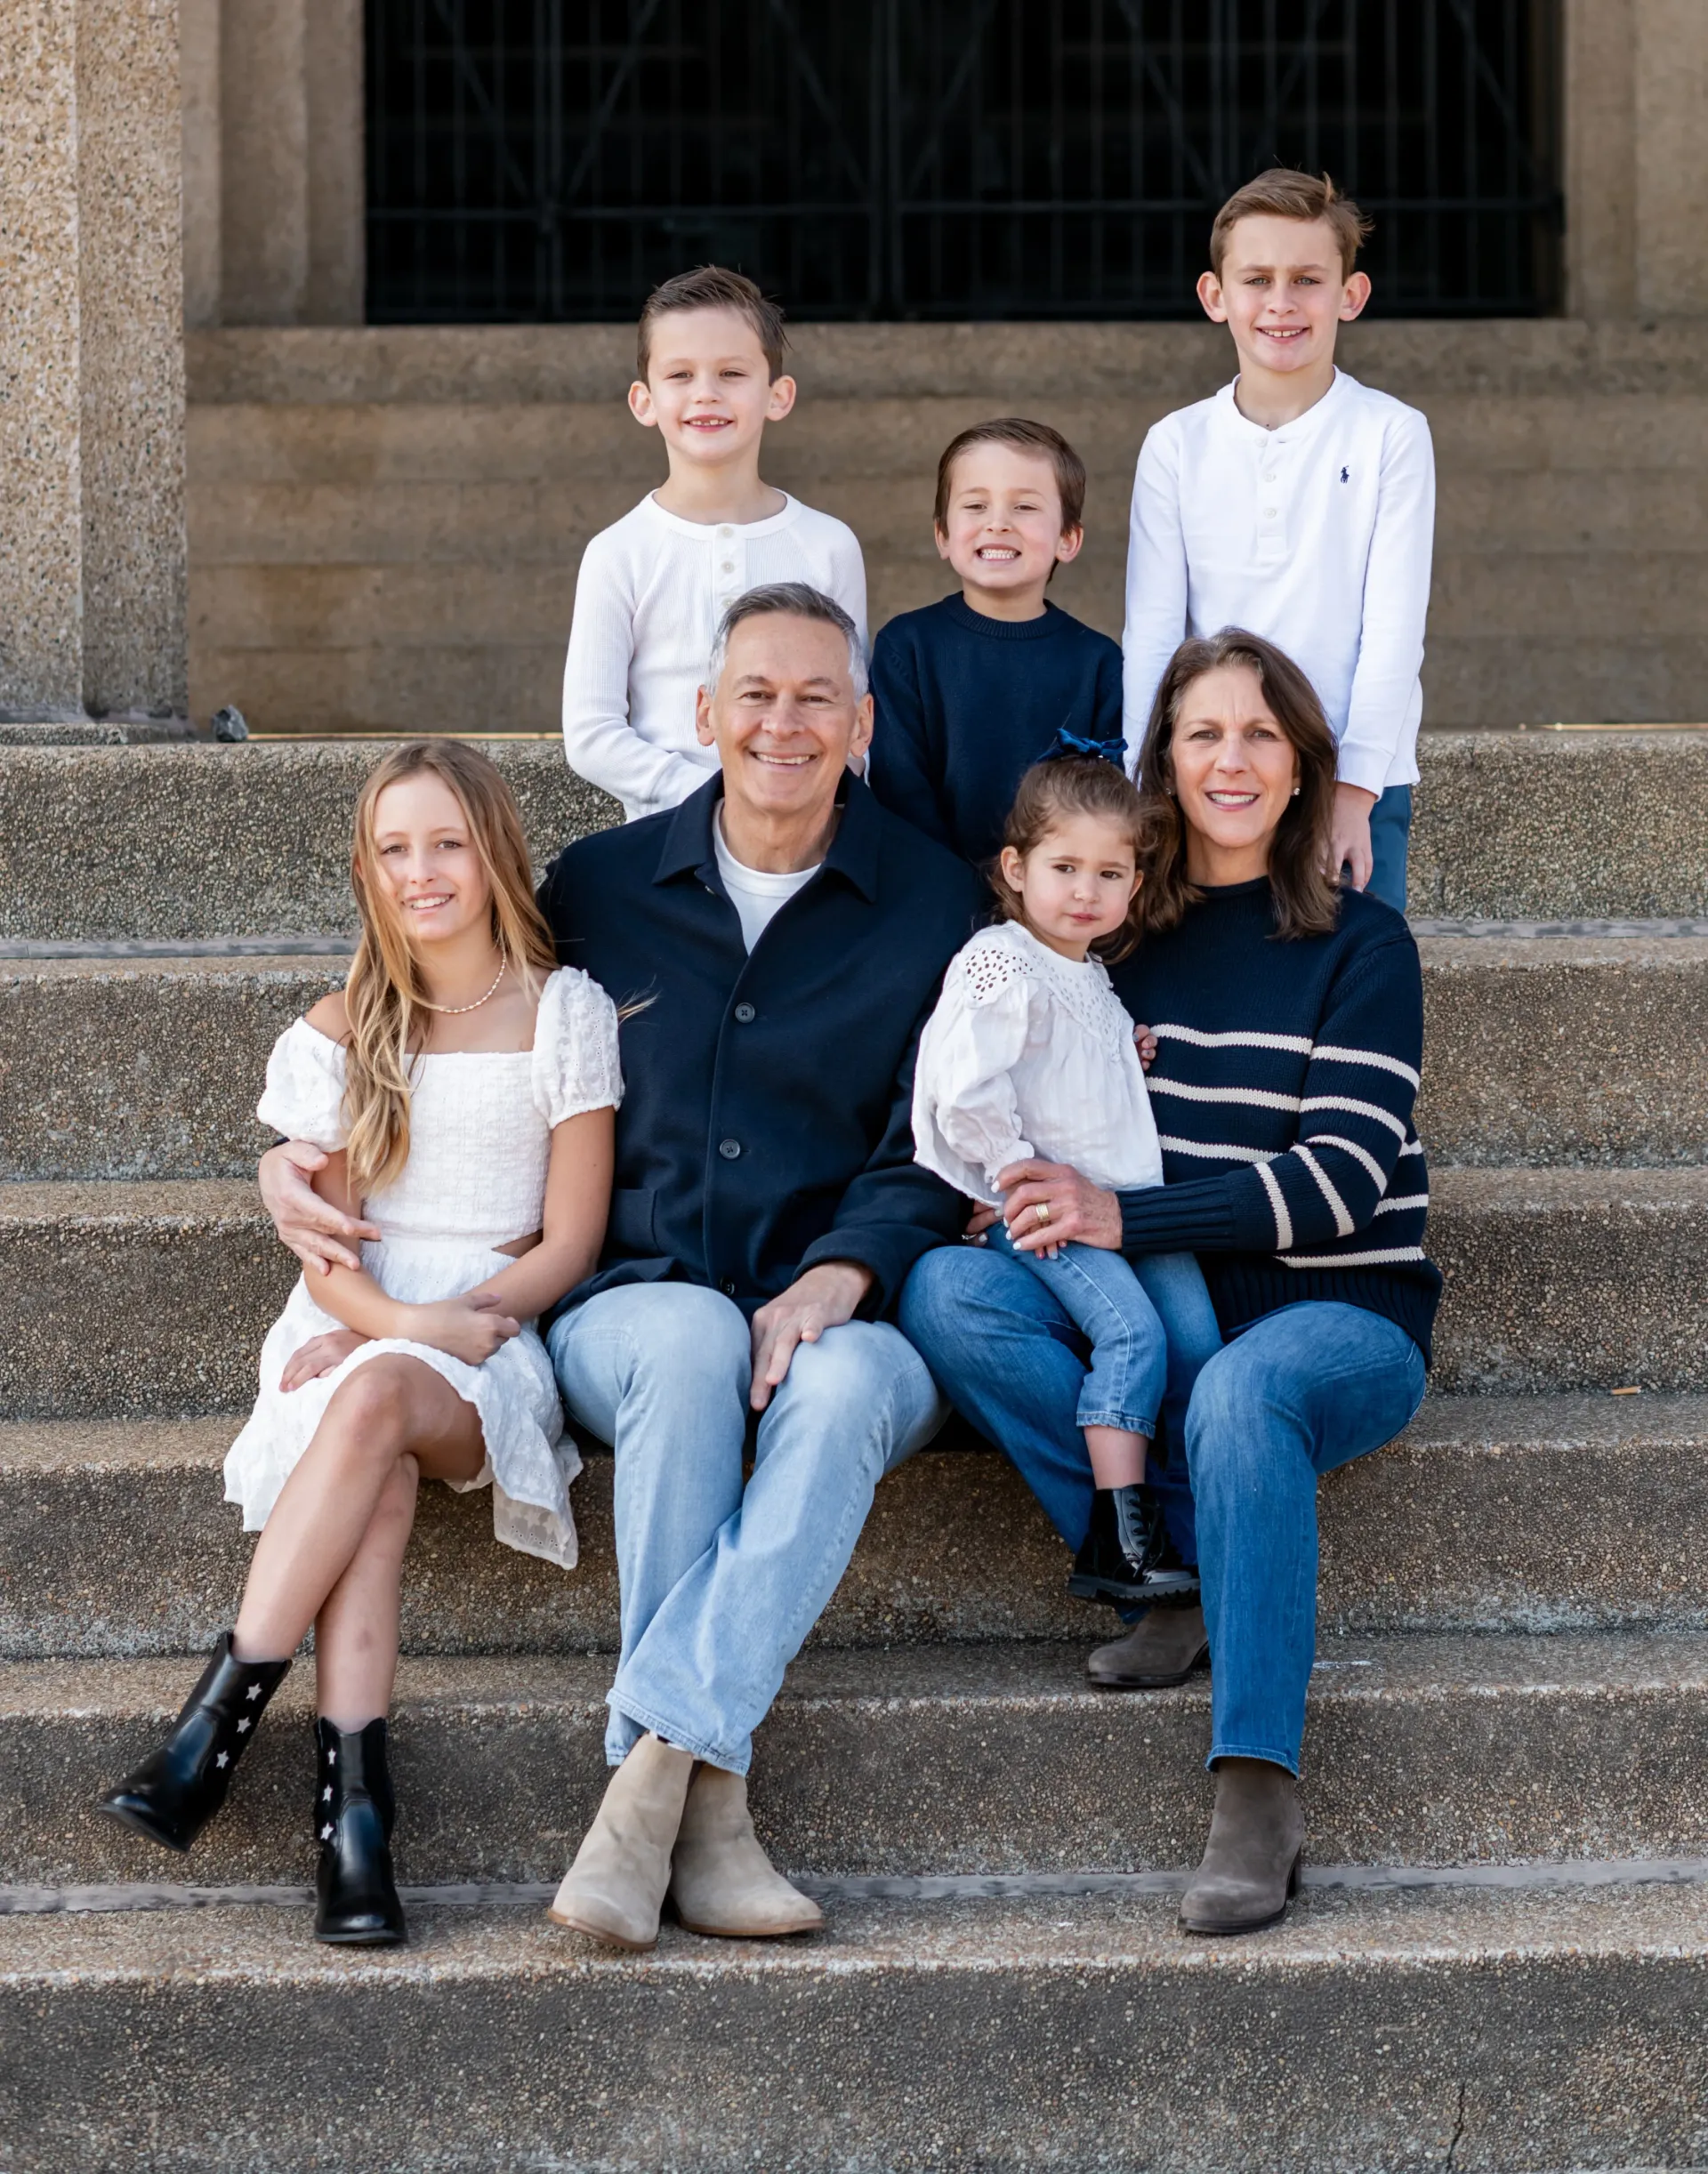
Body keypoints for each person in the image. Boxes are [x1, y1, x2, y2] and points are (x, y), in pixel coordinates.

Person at [260, 584, 985, 1955]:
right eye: (755, 695)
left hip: (853, 1302)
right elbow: (435, 1007)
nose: (784, 722)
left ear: (863, 722)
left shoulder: (935, 901)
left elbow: (948, 1136)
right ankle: (706, 1820)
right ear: (705, 715)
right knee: (689, 1342)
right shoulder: (598, 888)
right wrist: (288, 1162)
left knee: (833, 1397)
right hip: (629, 1302)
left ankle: (653, 1786)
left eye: (816, 695)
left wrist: (845, 1270)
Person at [901, 628, 1438, 1936]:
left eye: (1261, 733)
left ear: (1305, 765)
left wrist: (1119, 1209)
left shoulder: (1363, 948)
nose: (1232, 758)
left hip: (1336, 1310)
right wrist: (1015, 1184)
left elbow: (1345, 1181)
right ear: (1164, 764)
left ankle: (1257, 1787)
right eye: (1203, 733)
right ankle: (1179, 1571)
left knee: (1246, 1391)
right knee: (946, 1297)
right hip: (1149, 1297)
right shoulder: (1094, 932)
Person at [98, 741, 622, 1947]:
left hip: (489, 1335)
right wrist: (392, 1328)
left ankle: (208, 1737)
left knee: (381, 1396)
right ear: (365, 870)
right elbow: (325, 1248)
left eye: (445, 843)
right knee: (372, 1461)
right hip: (355, 1321)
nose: (421, 872)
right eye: (394, 849)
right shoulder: (343, 1025)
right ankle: (354, 1831)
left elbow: (571, 1243)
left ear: (493, 852)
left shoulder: (565, 1014)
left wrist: (444, 1329)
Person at [912, 741, 1220, 1603]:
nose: (1087, 891)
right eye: (1065, 866)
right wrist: (1014, 1171)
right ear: (1015, 868)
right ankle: (1121, 1533)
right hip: (1049, 1207)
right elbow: (963, 1084)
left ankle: (1198, 1531)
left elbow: (1066, 1064)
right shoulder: (1001, 960)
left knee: (1195, 1343)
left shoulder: (1090, 974)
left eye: (1111, 873)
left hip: (1125, 1201)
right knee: (1136, 1337)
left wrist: (1128, 1051)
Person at [1121, 169, 1435, 916]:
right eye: (1257, 279)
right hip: (1213, 770)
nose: (1282, 303)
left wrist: (1356, 791)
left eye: (1308, 279)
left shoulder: (1391, 433)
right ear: (1215, 296)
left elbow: (1393, 630)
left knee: (1351, 974)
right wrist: (1143, 783)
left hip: (1347, 772)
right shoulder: (1175, 445)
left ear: (1350, 296)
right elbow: (1154, 632)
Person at [561, 265, 867, 823]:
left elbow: (849, 714)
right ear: (644, 401)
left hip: (804, 840)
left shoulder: (828, 545)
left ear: (778, 395)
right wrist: (710, 796)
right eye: (680, 374)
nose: (706, 393)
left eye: (731, 372)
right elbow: (591, 733)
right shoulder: (617, 552)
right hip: (664, 842)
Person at [867, 417, 1124, 868]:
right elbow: (900, 795)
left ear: (1068, 538)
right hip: (932, 899)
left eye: (1024, 507)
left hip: (1060, 905)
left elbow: (1102, 806)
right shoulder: (906, 648)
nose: (998, 524)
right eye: (975, 506)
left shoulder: (1098, 662)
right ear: (942, 534)